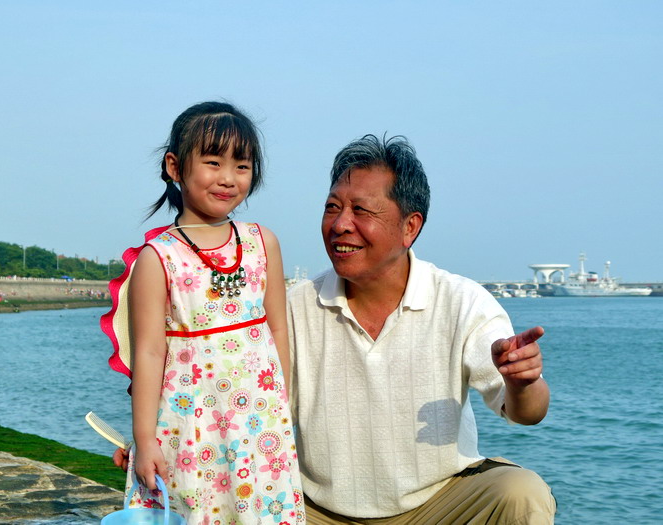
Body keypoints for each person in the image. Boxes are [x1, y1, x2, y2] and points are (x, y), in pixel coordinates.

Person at [286, 134, 556, 523]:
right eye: (333, 207)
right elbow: (260, 416)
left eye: (361, 210)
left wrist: (522, 383)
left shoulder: (462, 302)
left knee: (521, 493)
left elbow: (528, 414)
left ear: (409, 227)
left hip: (438, 505)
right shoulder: (295, 306)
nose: (341, 224)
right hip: (319, 512)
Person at [103, 102, 305, 524]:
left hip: (260, 422)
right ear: (175, 167)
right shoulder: (158, 258)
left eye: (242, 166)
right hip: (189, 424)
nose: (228, 178)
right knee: (197, 509)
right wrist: (145, 438)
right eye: (213, 162)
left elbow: (278, 329)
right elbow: (150, 353)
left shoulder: (262, 242)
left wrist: (280, 405)